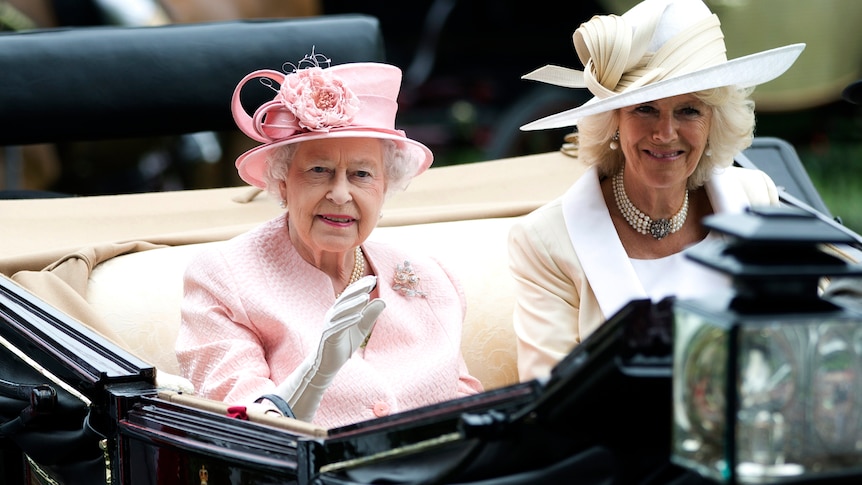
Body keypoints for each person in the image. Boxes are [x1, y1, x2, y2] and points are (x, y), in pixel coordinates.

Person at [176, 52, 483, 428]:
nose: (341, 194)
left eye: (362, 174)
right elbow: (241, 425)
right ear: (283, 182)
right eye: (319, 170)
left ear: (385, 187)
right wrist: (311, 379)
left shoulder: (432, 277)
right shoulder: (224, 279)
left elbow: (468, 406)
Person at [507, 0, 805, 381]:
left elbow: (792, 346)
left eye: (689, 110)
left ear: (715, 120)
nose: (665, 134)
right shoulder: (544, 241)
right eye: (645, 109)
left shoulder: (755, 198)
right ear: (613, 120)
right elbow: (547, 400)